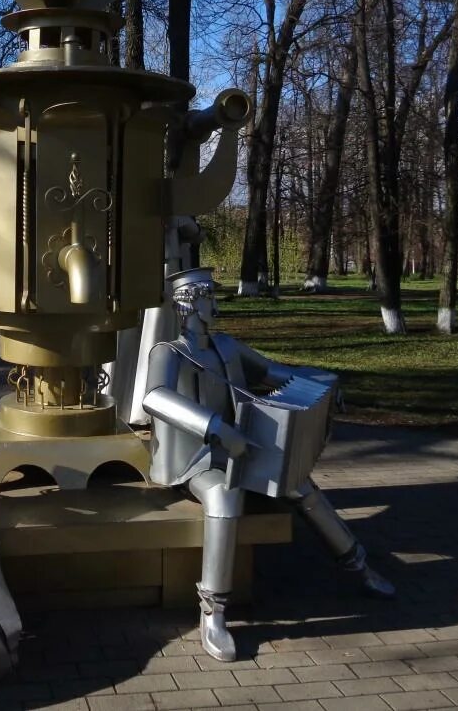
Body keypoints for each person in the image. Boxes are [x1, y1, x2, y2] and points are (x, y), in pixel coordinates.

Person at [142, 267, 392, 662]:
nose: (215, 304)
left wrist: (326, 381)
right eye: (208, 297)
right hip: (193, 459)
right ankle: (214, 612)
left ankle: (359, 567)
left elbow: (275, 372)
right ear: (188, 303)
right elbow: (154, 397)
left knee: (297, 483)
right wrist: (218, 428)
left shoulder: (226, 346)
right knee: (225, 498)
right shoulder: (168, 353)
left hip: (241, 446)